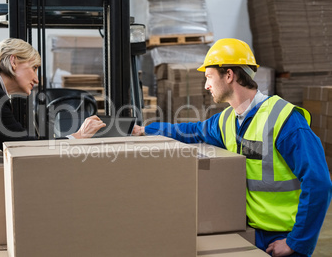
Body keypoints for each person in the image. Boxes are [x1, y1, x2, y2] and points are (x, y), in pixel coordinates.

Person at [133, 38, 332, 256]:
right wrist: (146, 130)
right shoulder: (226, 120)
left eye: (209, 77)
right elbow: (191, 131)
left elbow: (318, 182)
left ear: (229, 75)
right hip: (252, 233)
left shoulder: (285, 120)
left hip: (285, 237)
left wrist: (296, 242)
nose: (206, 85)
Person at [0, 38, 105, 253]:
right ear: (13, 62)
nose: (37, 79)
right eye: (33, 68)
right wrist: (76, 137)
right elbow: (22, 145)